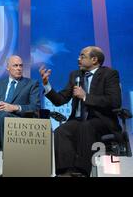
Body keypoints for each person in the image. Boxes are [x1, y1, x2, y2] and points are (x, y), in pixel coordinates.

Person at [39, 46, 122, 177]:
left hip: (102, 122)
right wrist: (46, 85)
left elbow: (114, 101)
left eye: (82, 56)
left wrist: (85, 96)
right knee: (62, 130)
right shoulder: (75, 75)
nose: (78, 59)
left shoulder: (109, 74)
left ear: (94, 59)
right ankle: (65, 172)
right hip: (78, 121)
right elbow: (60, 99)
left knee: (86, 126)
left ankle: (81, 172)